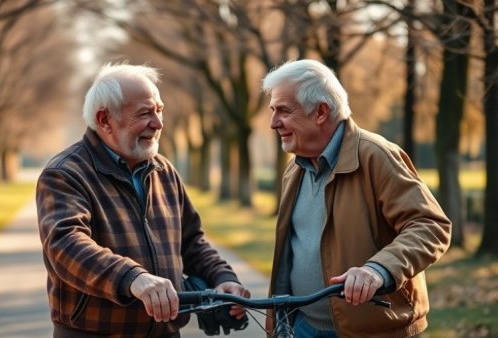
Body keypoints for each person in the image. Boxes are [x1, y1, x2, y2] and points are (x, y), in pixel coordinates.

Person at [36, 62, 249, 337]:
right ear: (104, 120)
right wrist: (133, 278)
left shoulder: (164, 170)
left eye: (159, 111)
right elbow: (66, 246)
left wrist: (223, 278)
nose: (158, 123)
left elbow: (192, 241)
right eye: (145, 113)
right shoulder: (65, 174)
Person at [261, 59, 451, 337]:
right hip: (301, 326)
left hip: (372, 331)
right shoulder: (295, 168)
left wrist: (378, 270)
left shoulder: (377, 156)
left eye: (284, 111)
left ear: (321, 112)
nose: (273, 123)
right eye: (272, 111)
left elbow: (431, 226)